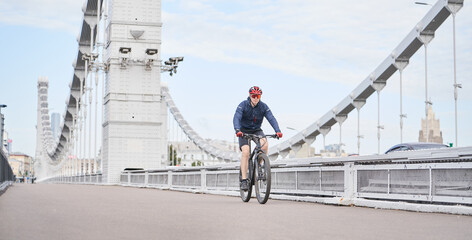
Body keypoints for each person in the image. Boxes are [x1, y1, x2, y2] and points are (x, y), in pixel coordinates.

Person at [233, 86, 283, 191]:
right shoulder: (243, 105)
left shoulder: (263, 107)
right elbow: (236, 117)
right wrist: (238, 130)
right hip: (243, 131)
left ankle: (260, 167)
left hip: (256, 130)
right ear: (250, 96)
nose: (256, 98)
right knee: (246, 152)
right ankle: (244, 180)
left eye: (258, 96)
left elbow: (271, 118)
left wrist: (277, 131)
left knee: (265, 145)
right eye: (254, 96)